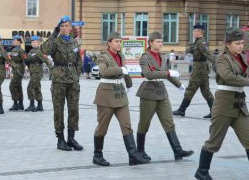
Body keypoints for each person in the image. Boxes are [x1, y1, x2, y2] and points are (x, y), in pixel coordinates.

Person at [195, 28, 249, 180]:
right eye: (237, 43)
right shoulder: (222, 58)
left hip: (240, 105)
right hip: (224, 105)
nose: (241, 46)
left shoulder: (242, 57)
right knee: (214, 143)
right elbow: (228, 76)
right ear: (228, 44)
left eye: (242, 43)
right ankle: (202, 172)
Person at [93, 32, 149, 167]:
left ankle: (133, 156)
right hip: (106, 96)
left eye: (120, 41)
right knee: (102, 128)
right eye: (116, 41)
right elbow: (104, 72)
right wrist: (120, 70)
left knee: (127, 126)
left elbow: (126, 71)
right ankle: (97, 155)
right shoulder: (103, 56)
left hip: (120, 95)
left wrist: (129, 84)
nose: (119, 44)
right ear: (109, 43)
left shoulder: (121, 56)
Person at [136, 32, 194, 161]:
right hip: (149, 92)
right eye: (158, 41)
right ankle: (140, 151)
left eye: (161, 41)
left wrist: (180, 86)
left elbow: (168, 75)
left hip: (161, 92)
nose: (160, 44)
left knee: (169, 122)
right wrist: (167, 72)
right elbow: (149, 74)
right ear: (150, 43)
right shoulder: (144, 58)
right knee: (144, 123)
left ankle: (177, 151)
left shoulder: (162, 57)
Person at [41, 15, 83, 151]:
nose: (64, 28)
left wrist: (77, 74)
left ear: (70, 27)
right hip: (59, 78)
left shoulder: (74, 42)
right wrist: (53, 35)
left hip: (73, 80)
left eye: (67, 26)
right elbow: (43, 51)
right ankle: (60, 140)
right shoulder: (55, 41)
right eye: (62, 26)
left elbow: (78, 60)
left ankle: (71, 138)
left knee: (74, 109)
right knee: (58, 110)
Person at [173, 24, 216, 118]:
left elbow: (209, 54)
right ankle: (214, 111)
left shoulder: (201, 43)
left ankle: (181, 110)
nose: (193, 33)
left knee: (190, 89)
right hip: (201, 69)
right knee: (206, 90)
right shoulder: (198, 42)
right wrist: (188, 49)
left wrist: (217, 65)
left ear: (199, 32)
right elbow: (191, 49)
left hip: (199, 70)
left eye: (194, 31)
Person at [24, 35, 51, 112]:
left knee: (30, 87)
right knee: (37, 88)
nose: (32, 43)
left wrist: (52, 69)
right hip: (32, 71)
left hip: (37, 72)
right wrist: (27, 61)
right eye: (31, 42)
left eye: (34, 42)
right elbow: (29, 60)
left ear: (38, 43)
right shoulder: (31, 51)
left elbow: (46, 60)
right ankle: (40, 105)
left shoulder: (39, 51)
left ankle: (32, 105)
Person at [8, 35, 26, 110]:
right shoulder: (14, 50)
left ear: (19, 41)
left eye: (14, 40)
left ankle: (16, 103)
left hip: (19, 69)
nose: (13, 42)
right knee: (18, 86)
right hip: (15, 69)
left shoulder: (21, 50)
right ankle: (20, 104)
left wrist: (24, 69)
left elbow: (25, 59)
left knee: (12, 86)